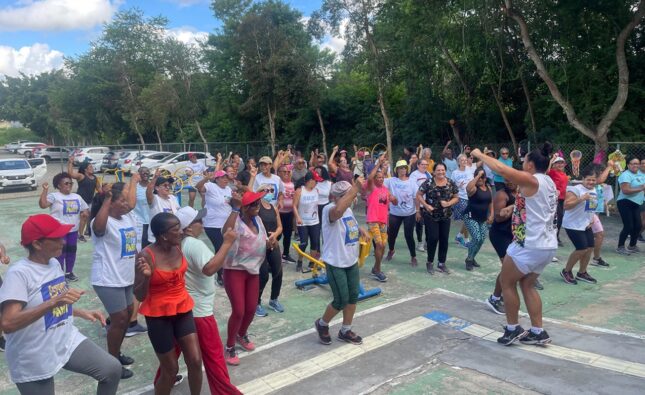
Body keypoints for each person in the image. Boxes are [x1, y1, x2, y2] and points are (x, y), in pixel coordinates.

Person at [0, 214, 121, 395]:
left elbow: (54, 303)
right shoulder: (19, 274)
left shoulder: (54, 264)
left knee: (111, 369)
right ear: (37, 244)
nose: (63, 242)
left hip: (64, 338)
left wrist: (80, 312)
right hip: (34, 352)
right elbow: (8, 323)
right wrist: (54, 302)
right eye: (56, 238)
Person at [471, 143, 558, 346]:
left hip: (529, 244)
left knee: (506, 283)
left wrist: (479, 155)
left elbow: (502, 170)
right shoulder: (548, 182)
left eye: (524, 160)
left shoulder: (532, 179)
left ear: (530, 165)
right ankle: (538, 331)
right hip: (547, 244)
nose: (522, 164)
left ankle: (512, 329)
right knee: (527, 284)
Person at [174, 207, 242, 395]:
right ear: (188, 228)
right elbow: (210, 268)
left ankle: (163, 381)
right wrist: (227, 243)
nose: (202, 224)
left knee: (173, 353)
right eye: (198, 221)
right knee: (214, 357)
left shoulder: (179, 244)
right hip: (200, 311)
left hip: (183, 309)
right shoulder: (194, 245)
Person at [134, 212, 203, 395]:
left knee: (195, 361)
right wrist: (146, 278)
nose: (181, 232)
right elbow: (139, 295)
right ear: (163, 235)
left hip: (182, 307)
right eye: (176, 229)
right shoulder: (145, 256)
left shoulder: (178, 245)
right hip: (158, 315)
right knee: (170, 370)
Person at [90, 179, 140, 379]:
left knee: (126, 316)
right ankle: (112, 365)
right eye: (123, 201)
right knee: (119, 319)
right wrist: (107, 199)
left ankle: (116, 353)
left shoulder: (127, 219)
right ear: (111, 202)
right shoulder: (102, 220)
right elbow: (99, 230)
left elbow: (132, 245)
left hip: (125, 277)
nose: (127, 204)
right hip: (107, 278)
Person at [314, 179, 369, 346]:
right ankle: (322, 324)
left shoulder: (348, 210)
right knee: (340, 300)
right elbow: (338, 212)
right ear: (338, 197)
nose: (353, 198)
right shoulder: (329, 209)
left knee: (353, 297)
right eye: (349, 195)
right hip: (336, 262)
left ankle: (345, 330)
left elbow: (349, 222)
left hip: (350, 260)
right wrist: (356, 188)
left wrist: (360, 229)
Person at [220, 190, 270, 365]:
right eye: (254, 204)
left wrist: (270, 242)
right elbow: (225, 231)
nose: (258, 207)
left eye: (258, 203)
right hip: (235, 270)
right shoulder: (237, 222)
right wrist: (235, 209)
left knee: (250, 309)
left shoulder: (259, 221)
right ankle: (229, 347)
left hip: (253, 270)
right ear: (245, 207)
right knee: (239, 310)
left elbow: (261, 239)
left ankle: (242, 335)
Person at [39, 172, 90, 282]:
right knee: (60, 253)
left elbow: (85, 209)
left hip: (73, 230)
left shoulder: (77, 197)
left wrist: (85, 213)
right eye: (66, 183)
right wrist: (45, 190)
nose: (69, 185)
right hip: (59, 231)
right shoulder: (54, 196)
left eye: (71, 183)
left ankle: (69, 272)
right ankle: (59, 273)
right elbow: (43, 205)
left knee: (71, 252)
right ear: (59, 185)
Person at [417, 163, 459, 274]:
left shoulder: (450, 183)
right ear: (434, 172)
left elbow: (456, 197)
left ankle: (441, 263)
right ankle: (429, 262)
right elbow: (419, 195)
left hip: (445, 215)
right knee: (434, 238)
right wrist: (426, 206)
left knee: (444, 239)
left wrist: (449, 203)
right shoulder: (428, 182)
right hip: (431, 216)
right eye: (438, 170)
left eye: (443, 170)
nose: (441, 172)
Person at [560, 166, 599, 285]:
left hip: (585, 224)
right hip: (572, 224)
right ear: (583, 179)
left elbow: (591, 207)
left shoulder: (594, 190)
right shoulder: (576, 189)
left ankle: (582, 272)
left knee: (590, 248)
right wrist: (581, 199)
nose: (591, 182)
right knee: (581, 248)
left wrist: (592, 219)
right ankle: (566, 271)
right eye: (588, 179)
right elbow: (566, 205)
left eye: (593, 180)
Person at [485, 179, 517, 315]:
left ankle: (502, 295)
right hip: (500, 234)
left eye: (513, 179)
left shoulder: (521, 194)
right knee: (507, 268)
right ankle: (494, 298)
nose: (511, 182)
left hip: (512, 234)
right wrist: (514, 208)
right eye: (508, 179)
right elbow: (498, 217)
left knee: (512, 268)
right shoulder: (502, 195)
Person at [198, 170, 232, 287]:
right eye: (222, 178)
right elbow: (199, 188)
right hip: (212, 224)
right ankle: (220, 275)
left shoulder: (228, 190)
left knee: (226, 248)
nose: (225, 180)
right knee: (220, 247)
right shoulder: (210, 186)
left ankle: (226, 271)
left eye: (226, 177)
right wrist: (205, 179)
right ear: (216, 179)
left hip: (226, 224)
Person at [255, 186, 284, 317]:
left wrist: (275, 235)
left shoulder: (274, 208)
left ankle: (274, 299)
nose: (270, 193)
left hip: (273, 243)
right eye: (267, 190)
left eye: (272, 190)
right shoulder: (256, 208)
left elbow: (279, 227)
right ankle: (256, 303)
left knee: (278, 272)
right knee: (263, 275)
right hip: (260, 245)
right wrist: (265, 239)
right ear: (260, 193)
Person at [365, 159, 396, 282]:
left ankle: (376, 268)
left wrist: (394, 199)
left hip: (383, 221)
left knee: (383, 246)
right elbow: (371, 176)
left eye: (382, 177)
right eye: (378, 177)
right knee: (379, 244)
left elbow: (395, 202)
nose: (380, 179)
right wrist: (378, 164)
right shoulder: (371, 187)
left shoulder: (386, 189)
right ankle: (377, 270)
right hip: (373, 220)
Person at [385, 160, 419, 266]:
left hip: (409, 213)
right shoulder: (391, 180)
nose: (403, 169)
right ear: (396, 170)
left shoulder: (412, 182)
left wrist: (418, 211)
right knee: (391, 235)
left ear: (407, 169)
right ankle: (391, 250)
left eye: (404, 167)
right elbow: (379, 181)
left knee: (409, 235)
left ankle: (413, 257)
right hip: (395, 213)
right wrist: (384, 168)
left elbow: (416, 197)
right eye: (400, 168)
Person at [464, 167, 494, 271]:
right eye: (478, 177)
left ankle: (472, 257)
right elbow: (468, 188)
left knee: (481, 240)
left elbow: (491, 202)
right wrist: (477, 175)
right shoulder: (474, 188)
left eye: (482, 177)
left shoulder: (488, 188)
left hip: (483, 218)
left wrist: (492, 214)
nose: (480, 179)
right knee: (476, 238)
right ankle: (469, 259)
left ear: (485, 178)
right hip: (470, 216)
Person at [615, 157, 645, 255]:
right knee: (628, 226)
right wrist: (641, 188)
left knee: (638, 225)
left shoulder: (639, 175)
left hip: (636, 203)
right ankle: (620, 247)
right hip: (625, 202)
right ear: (628, 165)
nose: (635, 165)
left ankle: (632, 246)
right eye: (633, 163)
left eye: (637, 163)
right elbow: (625, 190)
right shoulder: (625, 175)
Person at [294, 171, 322, 272]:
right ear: (310, 181)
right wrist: (298, 217)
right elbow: (294, 206)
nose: (317, 183)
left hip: (314, 221)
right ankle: (300, 261)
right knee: (304, 243)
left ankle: (312, 262)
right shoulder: (299, 191)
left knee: (315, 242)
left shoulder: (316, 191)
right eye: (316, 181)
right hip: (303, 222)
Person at [68, 157, 100, 242]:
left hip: (89, 201)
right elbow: (71, 174)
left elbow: (99, 190)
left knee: (88, 217)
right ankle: (79, 235)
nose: (92, 168)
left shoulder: (95, 178)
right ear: (85, 169)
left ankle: (84, 232)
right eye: (90, 167)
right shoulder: (81, 176)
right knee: (83, 217)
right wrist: (70, 163)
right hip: (80, 201)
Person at [146, 170, 181, 244]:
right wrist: (155, 178)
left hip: (171, 237)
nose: (168, 187)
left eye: (169, 185)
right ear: (157, 188)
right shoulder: (155, 199)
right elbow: (148, 191)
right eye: (165, 185)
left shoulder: (172, 198)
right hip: (157, 239)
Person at [450, 154, 474, 248]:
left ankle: (459, 236)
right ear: (458, 162)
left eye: (465, 160)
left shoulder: (470, 171)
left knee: (469, 219)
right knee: (468, 219)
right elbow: (451, 186)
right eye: (462, 160)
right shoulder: (455, 173)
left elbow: (473, 182)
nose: (464, 161)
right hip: (461, 198)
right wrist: (458, 187)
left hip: (471, 197)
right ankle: (466, 240)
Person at [410, 159, 432, 252]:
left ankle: (427, 242)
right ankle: (419, 243)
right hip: (418, 204)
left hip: (428, 203)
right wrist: (417, 208)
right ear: (418, 165)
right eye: (423, 164)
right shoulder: (414, 175)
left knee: (428, 224)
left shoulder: (428, 174)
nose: (425, 166)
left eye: (426, 164)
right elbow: (414, 191)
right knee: (419, 224)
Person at [547, 156, 568, 247]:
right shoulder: (552, 172)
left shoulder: (564, 174)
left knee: (559, 217)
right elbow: (546, 171)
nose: (560, 164)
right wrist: (551, 161)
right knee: (558, 217)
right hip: (554, 198)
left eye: (561, 162)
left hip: (562, 199)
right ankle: (554, 237)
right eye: (557, 163)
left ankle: (555, 236)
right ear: (554, 165)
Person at [278, 164, 296, 263]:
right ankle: (274, 254)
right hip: (279, 213)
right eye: (284, 172)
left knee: (288, 235)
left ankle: (286, 254)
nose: (286, 173)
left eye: (288, 172)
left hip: (289, 213)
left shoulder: (292, 184)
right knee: (278, 235)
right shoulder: (278, 182)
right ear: (279, 173)